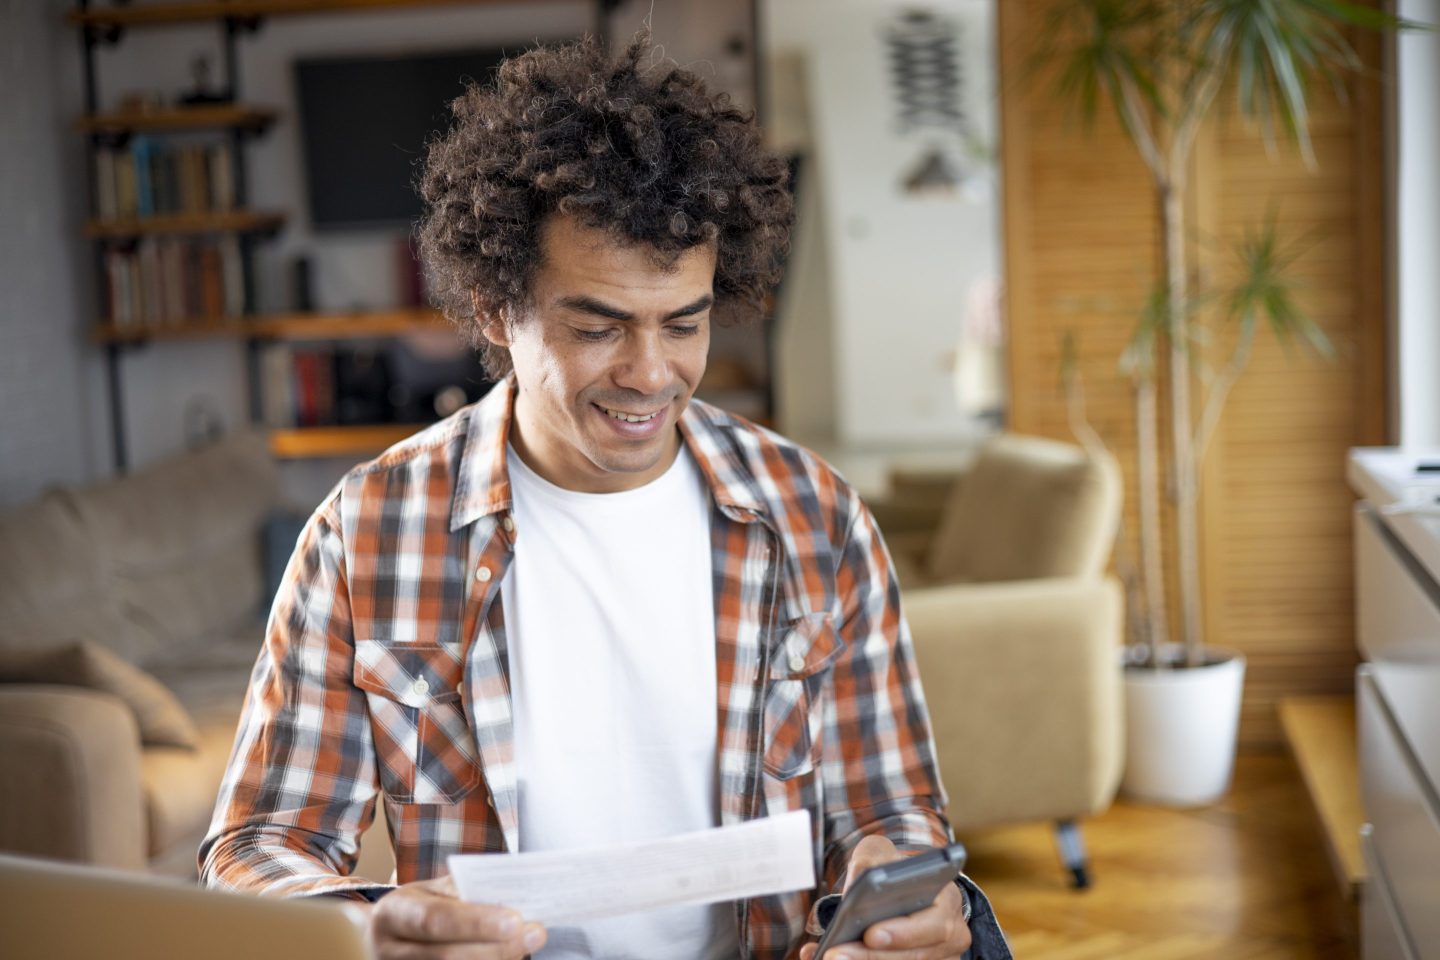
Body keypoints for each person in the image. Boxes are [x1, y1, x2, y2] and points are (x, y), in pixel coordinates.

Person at [200, 33, 1010, 960]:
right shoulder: (371, 533)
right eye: (598, 327)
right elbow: (259, 848)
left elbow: (892, 815)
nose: (651, 375)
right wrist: (368, 930)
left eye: (684, 324)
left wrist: (905, 898)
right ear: (494, 304)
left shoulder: (814, 517)